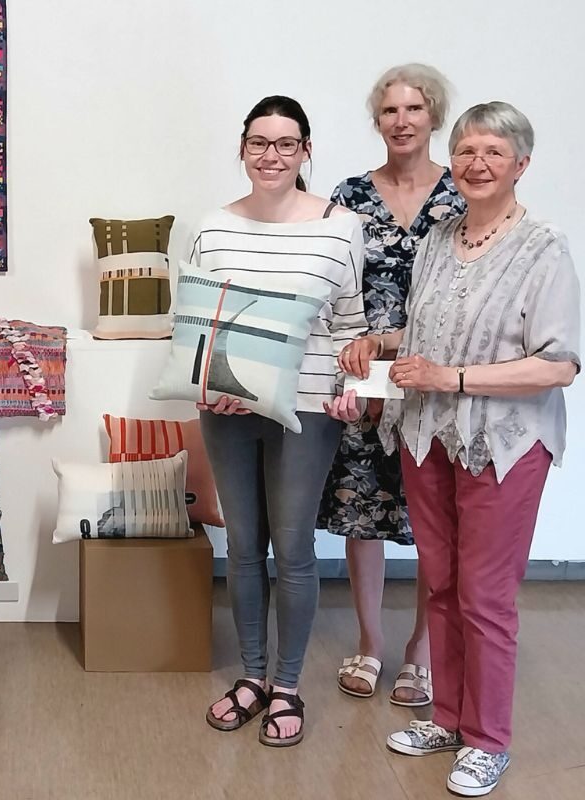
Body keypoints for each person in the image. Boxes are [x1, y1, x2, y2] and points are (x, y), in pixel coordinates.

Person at [335, 102, 579, 797]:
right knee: (440, 586)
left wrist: (455, 378)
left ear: (521, 165)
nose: (476, 164)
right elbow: (423, 327)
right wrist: (380, 343)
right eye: (467, 150)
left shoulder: (544, 247)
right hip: (428, 434)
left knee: (487, 598)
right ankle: (448, 718)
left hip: (504, 445)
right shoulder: (440, 238)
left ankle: (488, 739)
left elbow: (559, 364)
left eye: (494, 153)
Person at [198, 97, 368, 747]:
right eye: (260, 142)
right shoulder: (213, 226)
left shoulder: (339, 226)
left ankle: (289, 686)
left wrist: (351, 388)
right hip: (230, 409)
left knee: (293, 550)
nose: (272, 155)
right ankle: (252, 679)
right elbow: (201, 323)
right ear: (242, 148)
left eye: (286, 144)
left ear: (306, 151)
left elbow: (351, 324)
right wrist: (205, 385)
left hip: (307, 406)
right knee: (243, 549)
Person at [319, 64, 465, 707]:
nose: (401, 121)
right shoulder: (348, 196)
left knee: (437, 514)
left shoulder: (464, 193)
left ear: (434, 116)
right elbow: (332, 288)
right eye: (389, 112)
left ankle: (422, 650)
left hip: (439, 375)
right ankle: (371, 643)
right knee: (364, 510)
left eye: (414, 109)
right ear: (376, 122)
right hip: (364, 374)